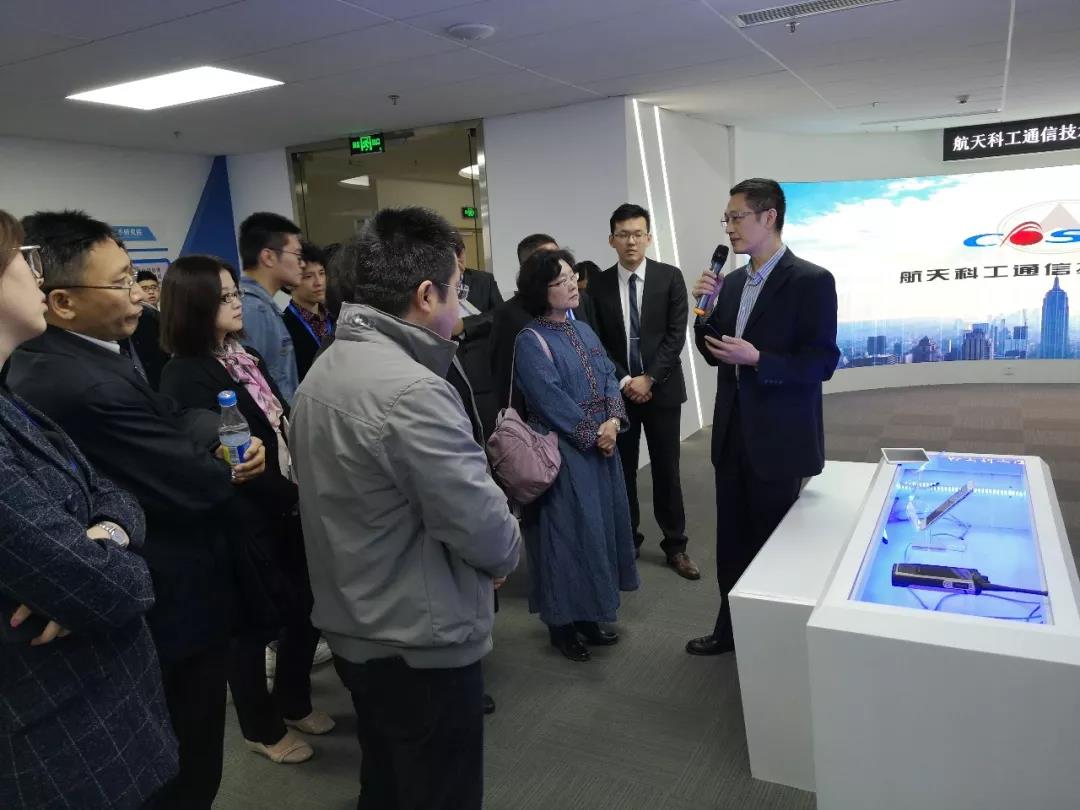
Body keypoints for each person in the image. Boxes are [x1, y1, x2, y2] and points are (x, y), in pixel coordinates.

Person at [6, 210, 267, 809]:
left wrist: (210, 433)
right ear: (62, 301)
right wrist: (223, 461)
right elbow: (194, 484)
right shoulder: (77, 379)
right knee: (185, 766)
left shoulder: (89, 355)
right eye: (122, 281)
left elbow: (168, 422)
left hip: (146, 580)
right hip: (165, 595)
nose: (139, 293)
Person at [290, 206, 521, 810]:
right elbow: (483, 528)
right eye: (456, 290)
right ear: (425, 294)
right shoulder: (413, 390)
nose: (461, 305)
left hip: (356, 621)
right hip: (417, 636)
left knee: (389, 779)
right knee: (437, 788)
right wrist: (503, 554)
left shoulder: (328, 365)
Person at [0, 211, 178, 809]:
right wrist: (96, 567)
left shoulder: (9, 397)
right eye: (21, 261)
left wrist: (102, 535)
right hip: (60, 745)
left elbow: (110, 493)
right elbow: (111, 590)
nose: (35, 275)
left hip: (95, 716)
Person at [158, 255, 333, 765]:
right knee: (252, 628)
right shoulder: (182, 374)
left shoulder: (243, 355)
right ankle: (261, 726)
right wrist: (286, 495)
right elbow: (217, 456)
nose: (237, 303)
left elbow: (276, 420)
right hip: (244, 516)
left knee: (305, 608)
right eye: (224, 297)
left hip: (286, 501)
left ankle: (294, 699)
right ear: (193, 305)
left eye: (235, 293)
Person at [686, 178, 839, 656]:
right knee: (731, 542)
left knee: (775, 545)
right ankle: (729, 629)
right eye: (727, 219)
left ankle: (776, 643)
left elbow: (822, 362)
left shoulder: (811, 281)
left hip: (779, 439)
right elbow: (714, 352)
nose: (729, 228)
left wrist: (760, 360)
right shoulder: (730, 283)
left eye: (737, 217)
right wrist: (703, 314)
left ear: (769, 217)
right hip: (732, 434)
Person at [513, 248, 639, 662]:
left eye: (571, 277)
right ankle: (561, 625)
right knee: (563, 538)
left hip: (601, 448)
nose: (572, 285)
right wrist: (593, 434)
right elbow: (548, 399)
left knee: (596, 533)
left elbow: (608, 377)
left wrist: (613, 422)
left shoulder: (582, 329)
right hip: (563, 454)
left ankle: (588, 616)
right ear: (540, 291)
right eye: (560, 280)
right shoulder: (530, 340)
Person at [591, 204, 699, 580]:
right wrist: (626, 381)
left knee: (667, 470)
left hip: (662, 391)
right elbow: (597, 342)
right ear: (611, 240)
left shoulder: (670, 277)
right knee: (622, 472)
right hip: (619, 394)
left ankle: (676, 546)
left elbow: (675, 335)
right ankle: (628, 541)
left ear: (649, 237)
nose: (631, 241)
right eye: (623, 234)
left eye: (638, 234)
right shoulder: (598, 285)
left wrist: (649, 378)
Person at [489, 233, 560, 416]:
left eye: (559, 257)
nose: (558, 265)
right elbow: (506, 377)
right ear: (527, 268)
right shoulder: (509, 315)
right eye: (548, 260)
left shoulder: (577, 301)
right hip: (535, 419)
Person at [238, 212, 305, 405]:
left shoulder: (263, 306)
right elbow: (252, 388)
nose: (302, 264)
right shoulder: (252, 310)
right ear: (268, 257)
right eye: (297, 255)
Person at [448, 231, 504, 439]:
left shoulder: (483, 280)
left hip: (481, 369)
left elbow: (499, 315)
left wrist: (466, 325)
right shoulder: (434, 284)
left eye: (459, 253)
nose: (458, 259)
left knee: (490, 434)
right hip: (448, 370)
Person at [283, 241, 335, 382]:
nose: (319, 282)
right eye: (308, 276)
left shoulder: (336, 317)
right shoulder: (284, 327)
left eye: (321, 273)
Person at [129, 268, 169, 390]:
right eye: (145, 288)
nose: (151, 292)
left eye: (154, 287)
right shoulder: (142, 318)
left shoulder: (160, 314)